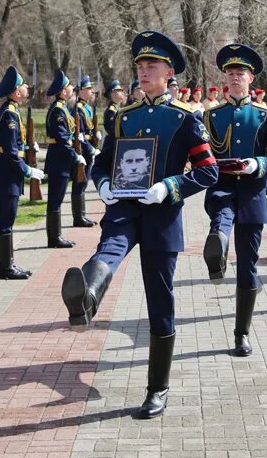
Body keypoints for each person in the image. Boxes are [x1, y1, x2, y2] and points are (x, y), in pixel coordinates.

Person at [60, 30, 218, 419]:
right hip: (125, 210)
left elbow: (208, 171)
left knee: (159, 299)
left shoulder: (184, 119)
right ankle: (86, 299)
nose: (144, 72)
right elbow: (102, 161)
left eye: (152, 66)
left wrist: (170, 187)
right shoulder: (123, 118)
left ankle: (157, 389)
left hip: (162, 214)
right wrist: (103, 184)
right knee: (108, 248)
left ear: (169, 73)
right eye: (140, 66)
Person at [201, 43, 267, 357]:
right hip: (223, 187)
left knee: (248, 266)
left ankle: (241, 333)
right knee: (221, 219)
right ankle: (218, 248)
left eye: (241, 73)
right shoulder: (212, 116)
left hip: (252, 192)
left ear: (251, 79)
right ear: (225, 78)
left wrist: (257, 164)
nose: (235, 77)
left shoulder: (266, 116)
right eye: (231, 73)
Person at [0, 66, 42, 279]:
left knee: (7, 220)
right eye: (23, 84)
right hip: (6, 175)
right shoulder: (9, 115)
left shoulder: (13, 111)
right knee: (5, 221)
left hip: (8, 175)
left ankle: (8, 265)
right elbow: (11, 154)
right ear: (15, 92)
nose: (27, 87)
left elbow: (15, 145)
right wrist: (28, 170)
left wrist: (28, 148)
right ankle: (5, 268)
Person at [44, 70, 82, 248]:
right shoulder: (58, 111)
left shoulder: (63, 108)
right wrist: (75, 156)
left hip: (61, 160)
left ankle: (56, 236)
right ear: (62, 91)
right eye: (69, 86)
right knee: (55, 199)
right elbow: (61, 139)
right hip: (59, 160)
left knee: (57, 198)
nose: (72, 89)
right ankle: (54, 237)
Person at [70, 76, 98, 228]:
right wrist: (89, 148)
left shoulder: (86, 107)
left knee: (84, 182)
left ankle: (82, 215)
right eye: (88, 89)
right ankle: (78, 216)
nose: (91, 91)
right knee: (80, 182)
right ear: (80, 91)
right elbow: (79, 133)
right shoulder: (78, 108)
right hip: (82, 148)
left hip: (87, 147)